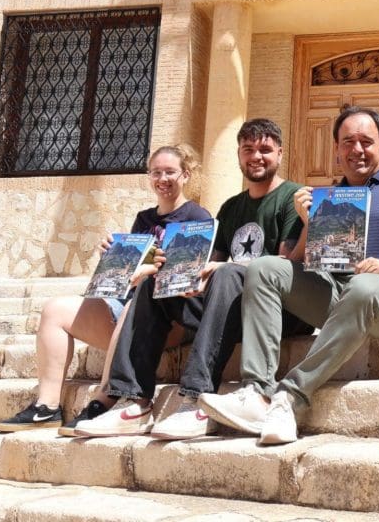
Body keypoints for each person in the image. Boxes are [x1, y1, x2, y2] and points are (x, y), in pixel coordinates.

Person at [198, 106, 379, 445]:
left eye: (366, 141)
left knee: (364, 286)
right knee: (265, 268)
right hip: (340, 295)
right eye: (348, 142)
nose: (357, 149)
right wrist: (309, 221)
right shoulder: (327, 197)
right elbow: (297, 262)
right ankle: (256, 392)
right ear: (337, 149)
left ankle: (290, 396)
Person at [75, 118, 312, 439]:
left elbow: (286, 264)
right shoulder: (231, 207)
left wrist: (224, 270)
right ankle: (134, 402)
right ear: (239, 154)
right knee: (153, 284)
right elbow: (210, 266)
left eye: (265, 150)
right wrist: (186, 281)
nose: (256, 156)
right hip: (233, 309)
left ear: (280, 154)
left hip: (278, 312)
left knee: (229, 273)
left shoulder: (292, 197)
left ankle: (195, 399)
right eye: (248, 149)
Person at [0, 144, 209, 434]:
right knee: (55, 310)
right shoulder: (144, 219)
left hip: (169, 318)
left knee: (134, 304)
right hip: (128, 308)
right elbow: (132, 273)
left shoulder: (197, 217)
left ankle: (103, 402)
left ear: (186, 175)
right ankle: (46, 407)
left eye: (170, 172)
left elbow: (188, 276)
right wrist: (114, 256)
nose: (163, 179)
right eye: (156, 172)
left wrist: (149, 271)